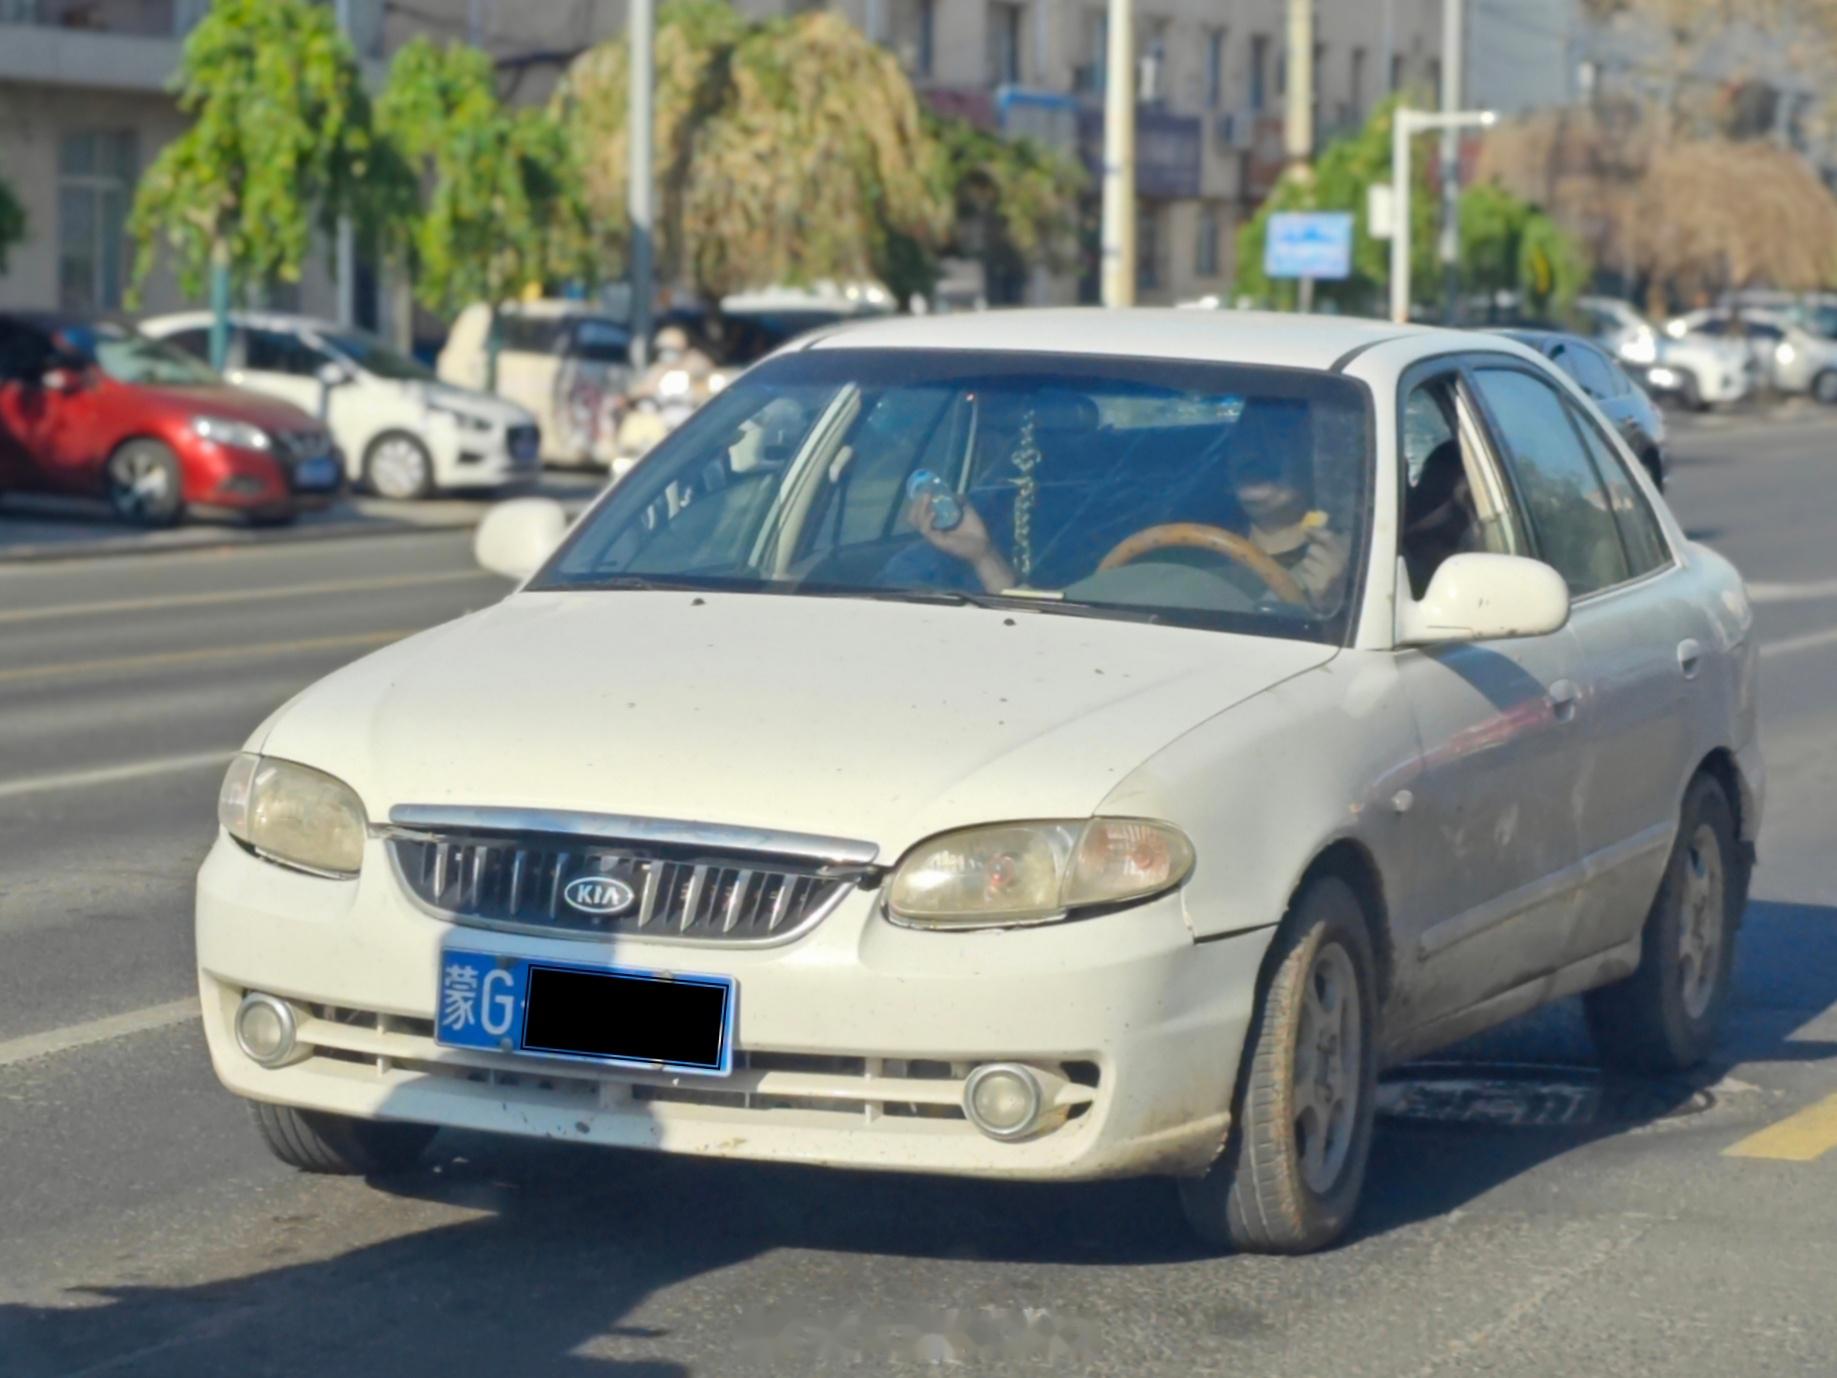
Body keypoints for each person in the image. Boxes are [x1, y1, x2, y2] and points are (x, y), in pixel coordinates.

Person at [906, 396, 1348, 611]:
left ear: (1319, 458)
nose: (1259, 452)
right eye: (1249, 435)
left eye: (1281, 438)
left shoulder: (1339, 567)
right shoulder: (1167, 539)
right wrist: (983, 555)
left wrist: (1330, 606)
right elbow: (1048, 634)